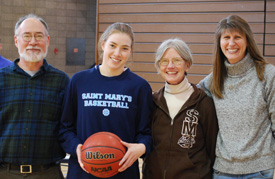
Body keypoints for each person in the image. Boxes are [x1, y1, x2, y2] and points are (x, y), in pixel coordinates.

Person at [59, 22, 153, 179]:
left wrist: (141, 147)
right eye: (113, 45)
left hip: (123, 172)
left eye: (124, 48)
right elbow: (65, 127)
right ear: (103, 45)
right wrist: (76, 148)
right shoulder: (79, 81)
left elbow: (146, 133)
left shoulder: (140, 87)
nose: (117, 53)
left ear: (130, 51)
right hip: (83, 173)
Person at [198, 15, 275, 178]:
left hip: (260, 171)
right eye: (226, 37)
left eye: (237, 37)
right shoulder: (214, 79)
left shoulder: (267, 74)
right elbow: (188, 96)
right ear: (219, 43)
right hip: (223, 171)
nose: (231, 43)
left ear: (247, 41)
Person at [0, 14, 69, 178]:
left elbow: (68, 127)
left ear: (48, 40)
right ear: (16, 41)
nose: (33, 42)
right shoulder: (1, 79)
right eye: (27, 36)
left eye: (39, 36)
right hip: (5, 172)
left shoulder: (62, 81)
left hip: (48, 172)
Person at [142, 38, 218, 179]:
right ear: (159, 67)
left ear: (187, 65)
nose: (170, 66)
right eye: (164, 61)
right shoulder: (152, 102)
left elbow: (212, 149)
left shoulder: (203, 102)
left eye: (177, 60)